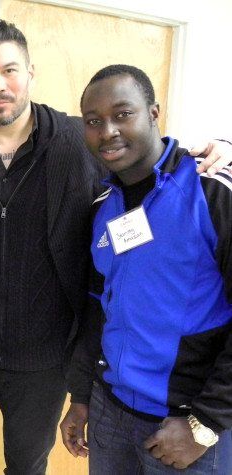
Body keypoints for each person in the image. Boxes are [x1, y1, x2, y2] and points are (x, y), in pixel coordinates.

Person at [0, 19, 232, 475]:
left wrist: (218, 148)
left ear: (30, 72)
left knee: (27, 467)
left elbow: (149, 153)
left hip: (47, 362)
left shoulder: (80, 141)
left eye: (9, 69)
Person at [59, 64, 232, 474]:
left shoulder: (211, 193)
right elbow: (97, 310)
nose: (108, 131)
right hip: (109, 413)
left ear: (154, 113)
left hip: (185, 426)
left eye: (123, 114)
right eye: (94, 121)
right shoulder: (103, 207)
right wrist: (80, 396)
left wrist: (205, 423)